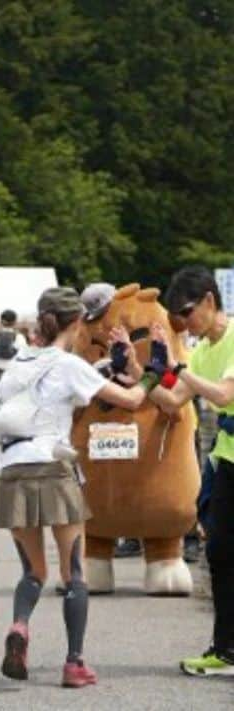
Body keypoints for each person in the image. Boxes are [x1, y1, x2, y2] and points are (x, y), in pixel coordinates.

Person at [0, 287, 155, 688]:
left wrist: (105, 367)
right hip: (55, 468)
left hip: (13, 470)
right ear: (76, 323)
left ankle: (20, 626)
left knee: (33, 572)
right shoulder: (68, 363)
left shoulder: (15, 366)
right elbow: (130, 399)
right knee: (73, 571)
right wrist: (153, 370)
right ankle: (74, 662)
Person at [147, 266, 234, 677]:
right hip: (228, 458)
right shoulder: (200, 351)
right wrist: (142, 370)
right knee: (218, 552)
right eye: (176, 316)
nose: (184, 323)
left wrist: (180, 369)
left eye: (187, 312)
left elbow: (222, 393)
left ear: (210, 301)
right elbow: (172, 400)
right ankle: (225, 650)